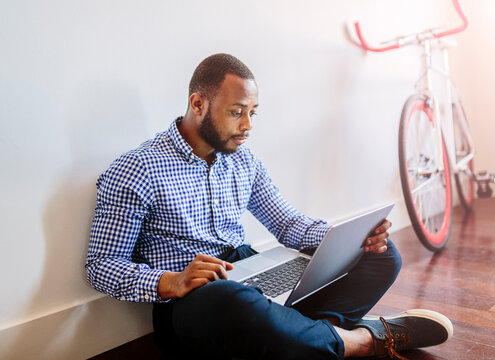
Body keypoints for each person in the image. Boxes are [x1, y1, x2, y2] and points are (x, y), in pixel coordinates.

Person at [86, 53, 452, 359]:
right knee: (233, 301)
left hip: (252, 277)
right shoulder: (136, 169)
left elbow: (288, 224)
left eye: (253, 113)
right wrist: (173, 280)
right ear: (198, 104)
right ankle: (364, 340)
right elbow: (101, 266)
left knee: (384, 257)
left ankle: (299, 338)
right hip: (198, 302)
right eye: (236, 111)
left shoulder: (243, 161)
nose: (247, 126)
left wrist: (349, 239)